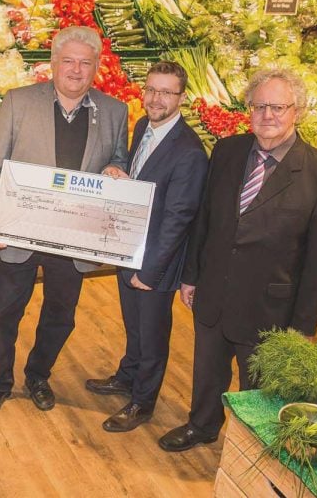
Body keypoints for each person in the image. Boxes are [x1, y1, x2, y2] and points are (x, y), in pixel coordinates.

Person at [158, 68, 317, 452]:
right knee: (208, 370)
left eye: (278, 106)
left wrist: (304, 325)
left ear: (298, 111)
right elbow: (205, 219)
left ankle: (249, 444)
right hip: (213, 291)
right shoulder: (227, 151)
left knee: (257, 386)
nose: (268, 115)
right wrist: (191, 275)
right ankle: (202, 424)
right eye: (259, 106)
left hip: (269, 309)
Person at [0, 25, 130, 419]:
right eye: (69, 62)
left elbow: (119, 160)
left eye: (85, 63)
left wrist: (115, 168)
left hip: (73, 237)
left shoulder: (114, 111)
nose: (76, 71)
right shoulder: (19, 102)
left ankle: (38, 374)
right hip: (20, 231)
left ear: (96, 66)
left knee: (61, 316)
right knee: (5, 313)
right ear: (52, 64)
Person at [85, 61, 208, 433]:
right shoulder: (143, 127)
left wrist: (149, 272)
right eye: (151, 90)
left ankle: (143, 402)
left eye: (166, 92)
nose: (156, 98)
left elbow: (178, 219)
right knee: (134, 326)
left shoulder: (189, 152)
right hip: (131, 248)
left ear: (182, 98)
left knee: (153, 334)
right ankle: (127, 374)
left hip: (156, 262)